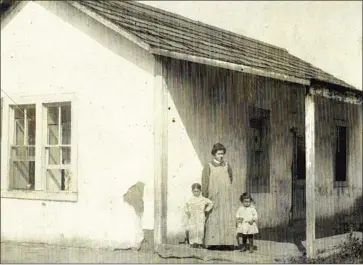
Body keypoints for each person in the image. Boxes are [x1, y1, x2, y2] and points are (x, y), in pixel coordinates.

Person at [202, 143, 235, 249]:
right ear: (214, 154)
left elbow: (230, 178)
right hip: (213, 197)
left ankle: (227, 243)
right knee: (213, 219)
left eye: (222, 154)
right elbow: (205, 183)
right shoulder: (208, 167)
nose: (221, 156)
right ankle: (212, 243)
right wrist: (206, 197)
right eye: (219, 154)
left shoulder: (227, 165)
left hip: (225, 198)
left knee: (226, 218)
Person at [183, 183, 214, 248]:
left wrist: (206, 210)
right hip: (192, 216)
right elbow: (185, 206)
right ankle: (192, 243)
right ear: (192, 191)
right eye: (194, 191)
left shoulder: (203, 199)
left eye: (197, 191)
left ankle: (199, 243)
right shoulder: (190, 199)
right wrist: (187, 211)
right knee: (192, 229)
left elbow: (211, 203)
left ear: (200, 191)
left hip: (200, 216)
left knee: (200, 229)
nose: (196, 193)